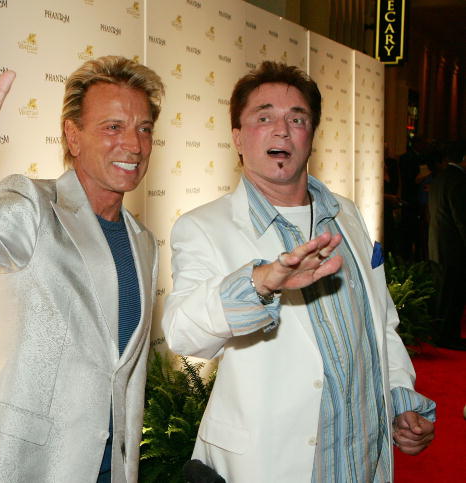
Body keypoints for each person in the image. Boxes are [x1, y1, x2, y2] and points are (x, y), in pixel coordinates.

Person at [0, 17, 164, 483]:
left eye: (144, 129)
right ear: (72, 136)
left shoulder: (143, 241)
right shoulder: (32, 207)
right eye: (113, 127)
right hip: (24, 470)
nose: (133, 144)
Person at [162, 61, 435, 482]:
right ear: (237, 137)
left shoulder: (347, 214)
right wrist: (259, 284)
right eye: (264, 117)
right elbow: (184, 333)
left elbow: (380, 326)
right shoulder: (203, 227)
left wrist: (399, 398)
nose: (282, 131)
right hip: (272, 463)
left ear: (312, 135)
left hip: (363, 461)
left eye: (297, 119)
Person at [428, 141, 466, 350]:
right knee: (452, 294)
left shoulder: (439, 178)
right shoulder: (459, 180)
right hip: (453, 248)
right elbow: (461, 218)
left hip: (437, 244)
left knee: (442, 293)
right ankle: (448, 337)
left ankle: (440, 334)